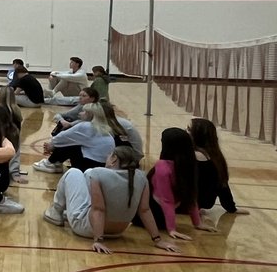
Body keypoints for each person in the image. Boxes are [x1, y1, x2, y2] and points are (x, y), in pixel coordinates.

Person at [44, 146, 181, 254]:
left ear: (114, 159)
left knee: (74, 172)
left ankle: (56, 211)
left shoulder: (97, 172)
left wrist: (98, 240)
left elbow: (99, 209)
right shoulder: (141, 176)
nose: (107, 157)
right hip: (118, 232)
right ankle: (69, 214)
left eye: (109, 155)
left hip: (89, 230)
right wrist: (157, 240)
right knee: (87, 175)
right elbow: (145, 210)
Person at [145, 127, 216, 238]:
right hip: (165, 211)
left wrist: (172, 229)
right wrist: (197, 223)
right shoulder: (189, 163)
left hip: (152, 214)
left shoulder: (162, 166)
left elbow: (167, 200)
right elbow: (191, 195)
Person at [189, 117, 248, 219]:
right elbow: (223, 186)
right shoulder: (216, 158)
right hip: (204, 202)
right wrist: (231, 208)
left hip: (186, 204)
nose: (185, 131)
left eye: (189, 129)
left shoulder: (193, 156)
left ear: (197, 135)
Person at [34, 103, 116, 173]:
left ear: (89, 115)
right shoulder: (105, 128)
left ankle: (50, 163)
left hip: (88, 166)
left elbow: (62, 137)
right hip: (102, 166)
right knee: (74, 141)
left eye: (83, 111)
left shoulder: (86, 126)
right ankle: (57, 163)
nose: (80, 113)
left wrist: (51, 145)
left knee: (70, 142)